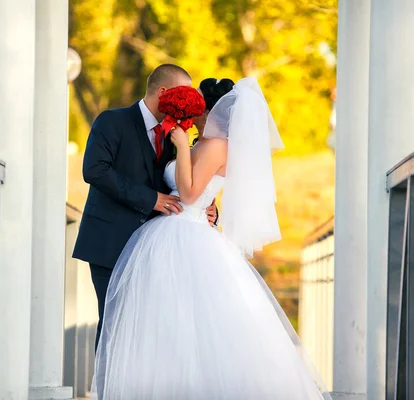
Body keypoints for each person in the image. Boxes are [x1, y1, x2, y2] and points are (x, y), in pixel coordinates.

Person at [91, 77, 332, 399]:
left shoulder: (216, 146)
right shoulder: (199, 144)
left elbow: (190, 195)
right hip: (170, 231)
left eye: (200, 108)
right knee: (162, 322)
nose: (195, 113)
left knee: (192, 323)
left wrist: (180, 149)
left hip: (185, 235)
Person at [72, 64, 217, 349]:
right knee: (115, 325)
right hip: (110, 243)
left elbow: (186, 182)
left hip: (156, 251)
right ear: (163, 92)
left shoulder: (176, 134)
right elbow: (95, 170)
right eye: (182, 94)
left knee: (149, 329)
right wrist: (152, 199)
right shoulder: (112, 121)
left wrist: (208, 208)